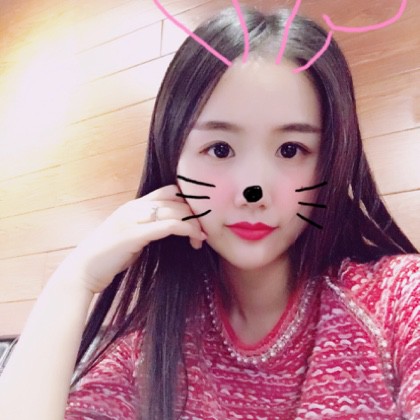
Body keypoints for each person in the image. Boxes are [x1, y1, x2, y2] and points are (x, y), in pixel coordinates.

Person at [0, 5, 418, 420]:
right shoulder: (149, 353)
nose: (253, 192)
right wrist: (74, 279)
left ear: (332, 161)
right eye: (219, 149)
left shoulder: (397, 302)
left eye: (291, 150)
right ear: (172, 160)